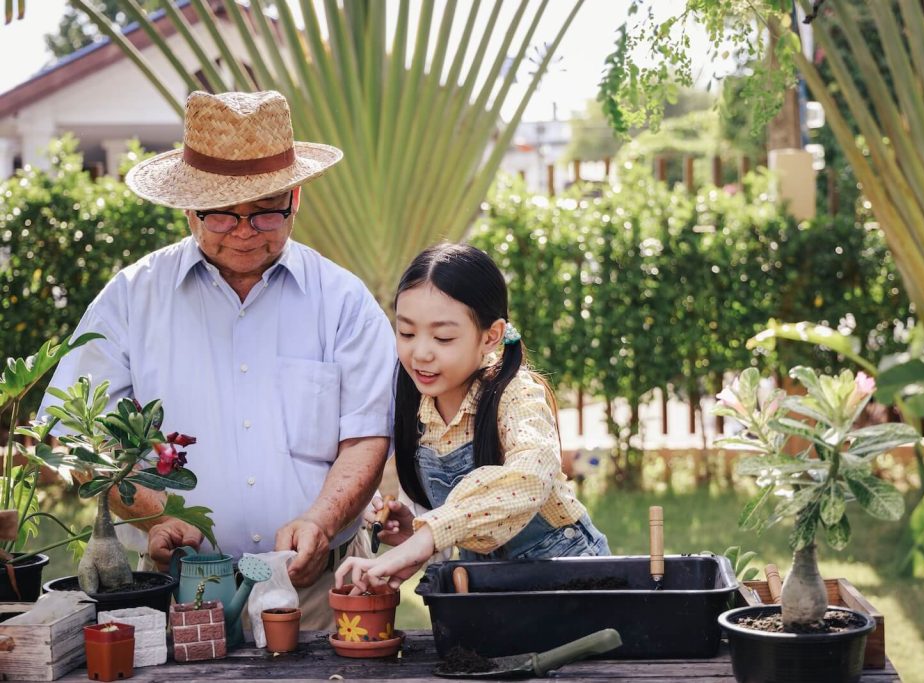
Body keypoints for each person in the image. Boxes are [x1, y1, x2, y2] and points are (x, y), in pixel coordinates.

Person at [40, 90, 395, 629]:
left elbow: (366, 436)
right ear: (188, 210)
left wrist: (320, 522)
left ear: (295, 199)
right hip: (175, 585)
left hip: (320, 593)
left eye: (266, 212)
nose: (246, 232)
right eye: (223, 217)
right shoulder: (134, 297)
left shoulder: (344, 301)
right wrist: (156, 516)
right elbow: (73, 431)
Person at [337, 243, 610, 594]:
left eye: (443, 337)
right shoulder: (416, 405)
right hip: (487, 592)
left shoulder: (517, 395)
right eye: (406, 333)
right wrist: (416, 533)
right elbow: (460, 529)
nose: (420, 352)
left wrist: (430, 534)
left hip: (572, 585)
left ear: (491, 336)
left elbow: (531, 473)